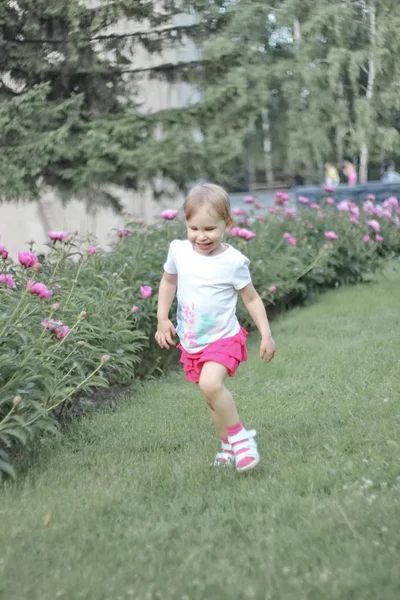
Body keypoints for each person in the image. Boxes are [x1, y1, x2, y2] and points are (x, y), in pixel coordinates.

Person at [155, 183, 276, 472]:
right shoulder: (179, 251)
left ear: (227, 224)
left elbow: (251, 297)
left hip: (224, 338)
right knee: (211, 398)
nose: (201, 236)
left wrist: (266, 334)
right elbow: (168, 281)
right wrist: (162, 318)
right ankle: (227, 446)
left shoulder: (233, 262)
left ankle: (241, 439)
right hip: (193, 340)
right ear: (186, 224)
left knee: (212, 384)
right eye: (194, 228)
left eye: (210, 229)